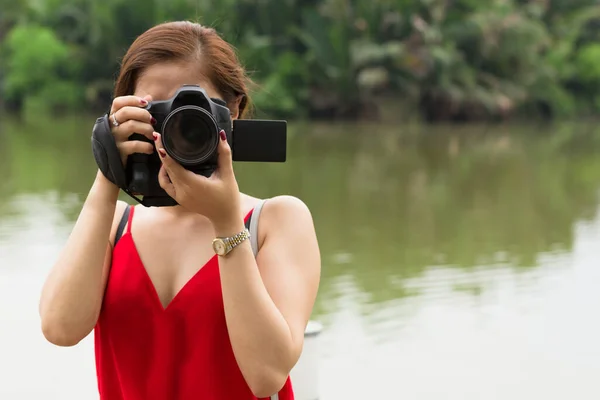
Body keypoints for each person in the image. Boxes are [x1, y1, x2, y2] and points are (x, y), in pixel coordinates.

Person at [38, 21, 321, 400]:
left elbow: (266, 375)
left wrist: (224, 221)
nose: (173, 126)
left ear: (233, 111)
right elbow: (59, 328)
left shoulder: (276, 221)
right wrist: (109, 171)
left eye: (191, 110)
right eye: (154, 110)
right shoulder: (115, 224)